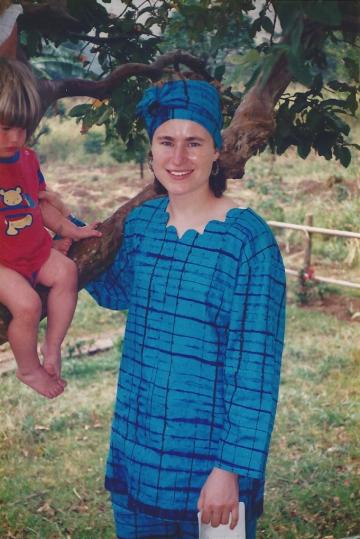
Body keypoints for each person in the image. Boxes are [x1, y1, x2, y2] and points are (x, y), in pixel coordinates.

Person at [86, 79, 286, 539]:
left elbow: (256, 368)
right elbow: (118, 291)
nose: (178, 159)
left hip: (209, 475)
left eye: (194, 142)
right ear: (152, 149)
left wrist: (230, 470)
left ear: (217, 150)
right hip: (138, 457)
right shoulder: (142, 224)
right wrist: (66, 236)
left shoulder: (247, 241)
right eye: (166, 142)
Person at [0, 57, 101, 398]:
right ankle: (28, 369)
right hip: (1, 265)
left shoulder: (27, 159)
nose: (15, 138)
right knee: (27, 306)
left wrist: (70, 231)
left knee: (67, 273)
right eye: (4, 129)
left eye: (22, 129)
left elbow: (40, 204)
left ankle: (53, 346)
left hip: (34, 250)